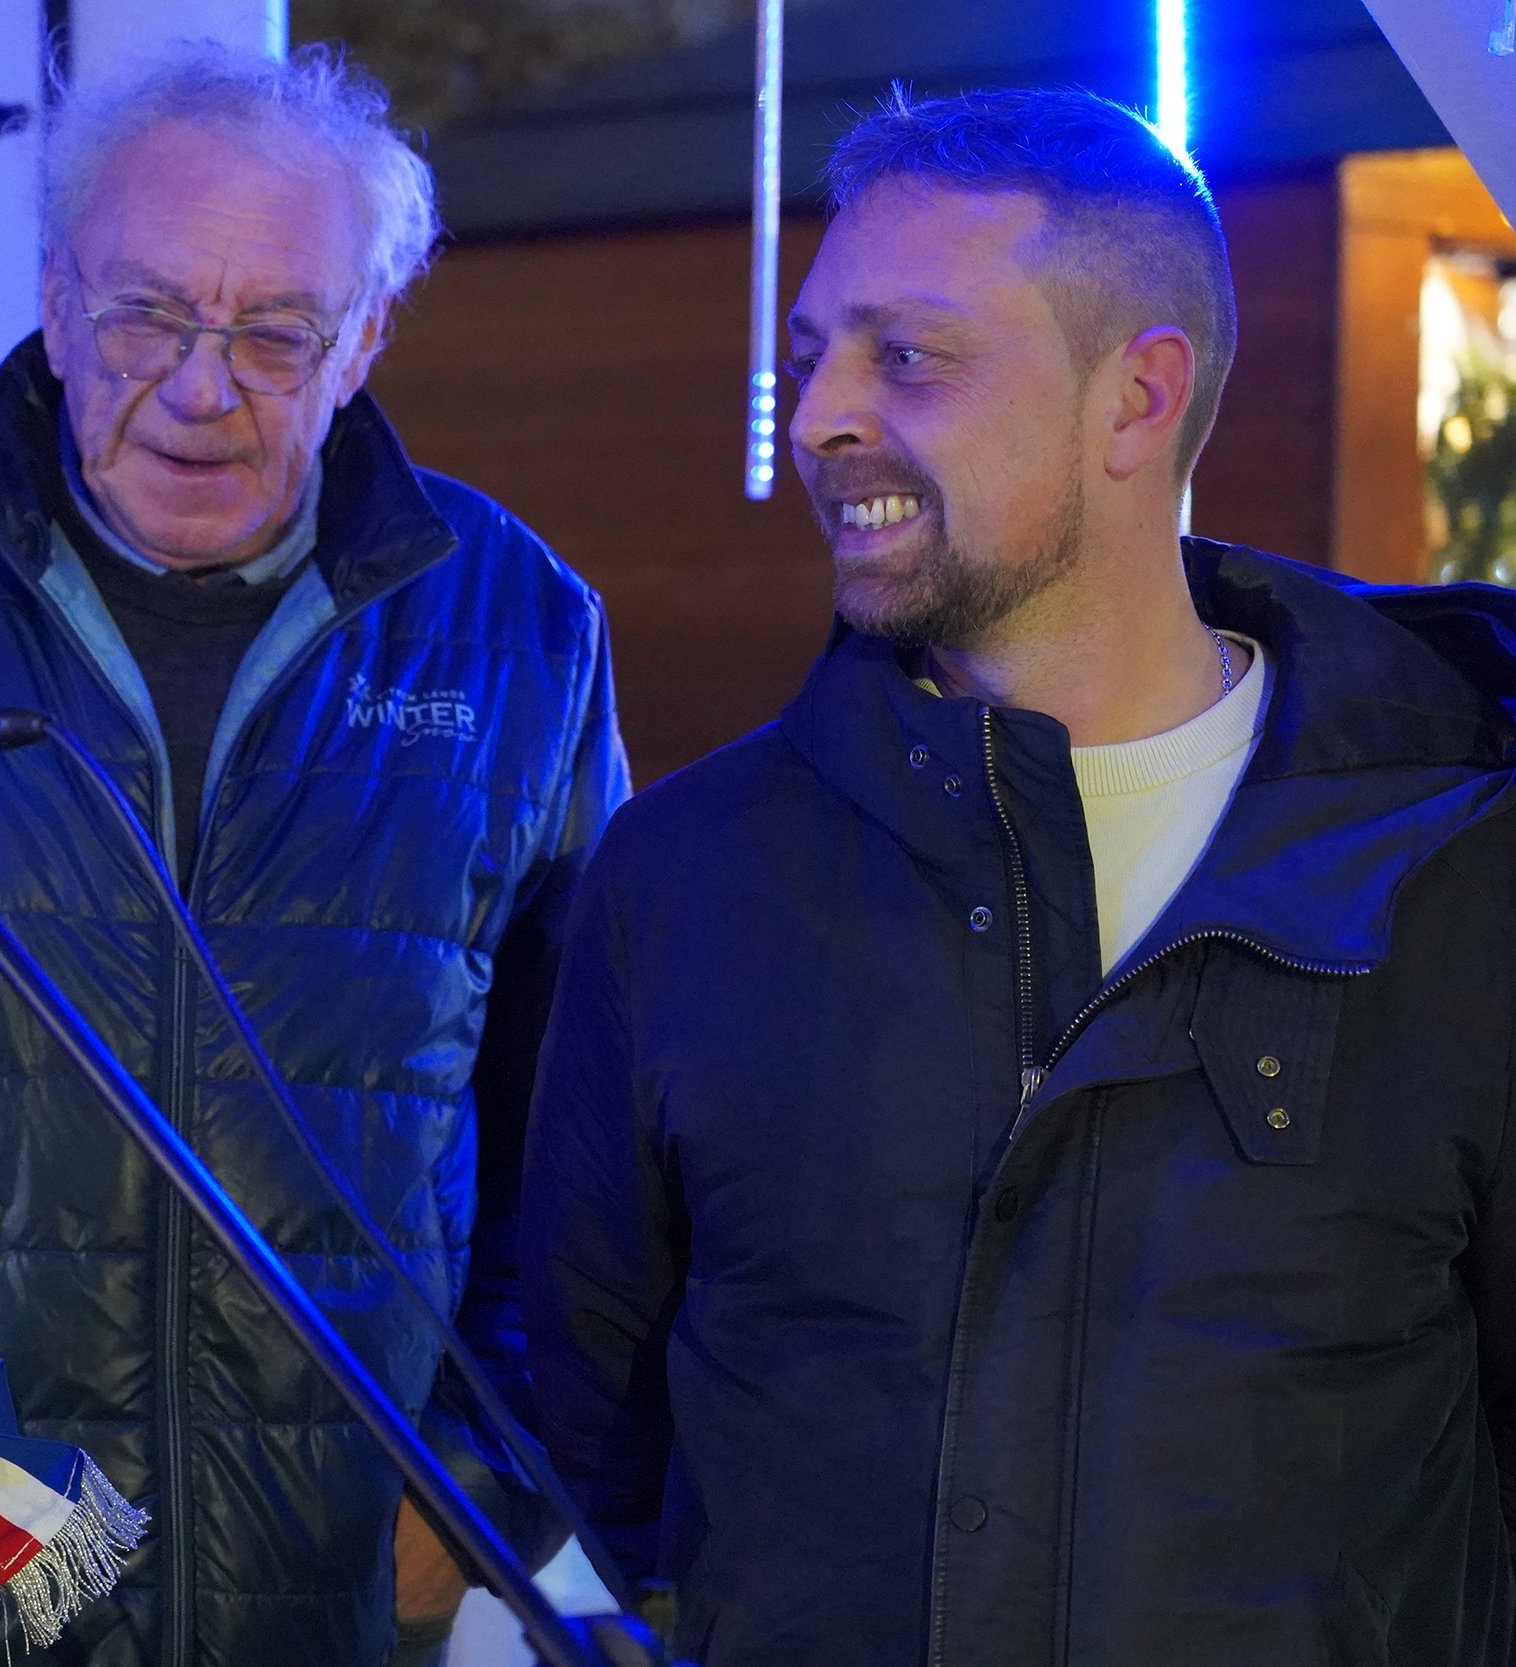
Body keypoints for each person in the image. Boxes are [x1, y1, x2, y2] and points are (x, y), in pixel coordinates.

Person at [522, 87, 1516, 1665]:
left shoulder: (1458, 871)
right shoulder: (680, 877)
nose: (821, 416)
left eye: (907, 356)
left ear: (1138, 399)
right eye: (812, 354)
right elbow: (596, 1434)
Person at [0, 43, 626, 1667]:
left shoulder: (518, 629)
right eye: (148, 315)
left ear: (364, 339)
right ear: (58, 302)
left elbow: (598, 1129)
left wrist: (493, 1473)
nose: (205, 388)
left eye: (277, 331)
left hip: (336, 1596)